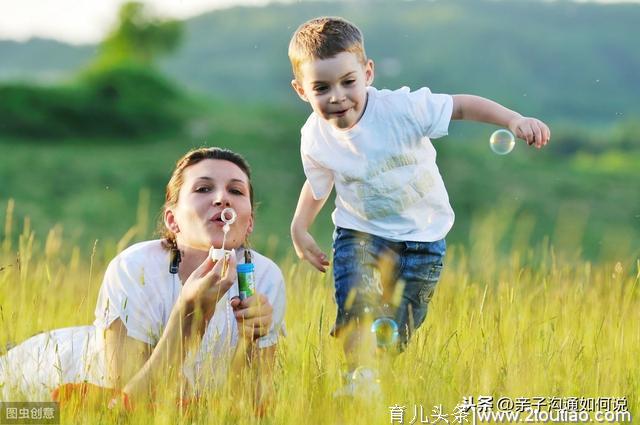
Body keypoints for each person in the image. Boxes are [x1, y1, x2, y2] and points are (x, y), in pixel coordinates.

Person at [287, 17, 550, 397]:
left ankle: (376, 371)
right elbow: (318, 185)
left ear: (368, 72)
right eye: (321, 88)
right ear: (301, 91)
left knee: (402, 320)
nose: (337, 96)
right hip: (358, 231)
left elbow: (460, 106)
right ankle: (356, 378)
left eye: (348, 82)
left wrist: (514, 119)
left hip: (422, 237)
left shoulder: (401, 108)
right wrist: (300, 227)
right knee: (355, 300)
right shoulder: (314, 137)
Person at [0, 147, 286, 412]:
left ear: (249, 223)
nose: (222, 198)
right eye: (203, 188)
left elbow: (248, 408)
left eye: (236, 190)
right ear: (173, 221)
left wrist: (250, 341)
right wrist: (186, 321)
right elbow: (129, 405)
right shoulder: (134, 268)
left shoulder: (264, 277)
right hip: (42, 386)